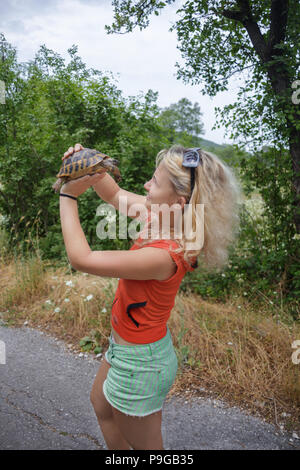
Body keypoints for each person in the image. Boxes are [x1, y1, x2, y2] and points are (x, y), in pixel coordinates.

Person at [59, 142, 241, 450]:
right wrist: (87, 160)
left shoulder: (166, 255)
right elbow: (114, 195)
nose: (146, 185)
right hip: (126, 348)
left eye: (154, 182)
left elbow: (82, 259)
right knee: (102, 407)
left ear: (180, 201)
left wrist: (67, 195)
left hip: (141, 364)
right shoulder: (160, 216)